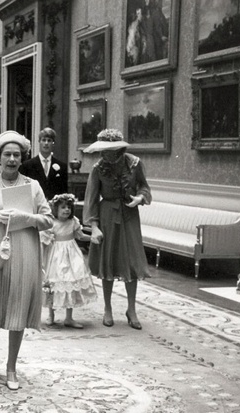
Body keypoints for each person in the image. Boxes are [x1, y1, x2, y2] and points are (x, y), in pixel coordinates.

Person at [0, 130, 53, 391]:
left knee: (17, 307)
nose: (12, 159)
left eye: (17, 155)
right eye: (7, 154)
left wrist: (26, 218)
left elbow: (48, 219)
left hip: (25, 252)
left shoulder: (33, 186)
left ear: (22, 157)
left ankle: (11, 367)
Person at [83, 128, 152, 330]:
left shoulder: (134, 164)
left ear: (119, 149)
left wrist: (140, 198)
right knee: (109, 262)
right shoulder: (98, 168)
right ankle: (107, 308)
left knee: (131, 262)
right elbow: (91, 200)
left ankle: (131, 309)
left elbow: (144, 187)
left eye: (109, 150)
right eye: (103, 151)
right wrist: (94, 227)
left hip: (130, 216)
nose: (105, 155)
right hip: (107, 217)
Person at [41, 193, 97, 328]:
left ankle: (69, 317)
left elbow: (80, 235)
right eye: (63, 207)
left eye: (69, 208)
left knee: (71, 282)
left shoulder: (73, 222)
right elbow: (44, 239)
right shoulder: (51, 223)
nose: (67, 210)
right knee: (54, 284)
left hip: (72, 254)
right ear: (55, 209)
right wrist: (48, 242)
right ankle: (51, 314)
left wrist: (92, 238)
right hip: (55, 255)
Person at [20, 127, 68, 200]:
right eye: (43, 140)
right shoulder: (27, 165)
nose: (46, 143)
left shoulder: (62, 166)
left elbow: (63, 192)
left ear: (53, 143)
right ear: (39, 142)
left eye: (49, 140)